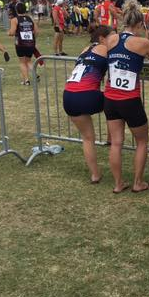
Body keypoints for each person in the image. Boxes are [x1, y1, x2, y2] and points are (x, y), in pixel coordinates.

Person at [104, 0, 149, 193]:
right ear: (139, 24)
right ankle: (138, 182)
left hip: (110, 98)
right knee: (142, 141)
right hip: (129, 99)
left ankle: (118, 183)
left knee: (116, 142)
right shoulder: (142, 43)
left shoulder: (111, 39)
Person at [63, 24, 112, 183]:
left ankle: (95, 175)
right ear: (102, 38)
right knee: (116, 102)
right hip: (87, 95)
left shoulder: (85, 49)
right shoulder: (104, 49)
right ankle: (112, 137)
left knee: (88, 138)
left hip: (69, 96)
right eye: (112, 37)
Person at [8, 2, 37, 84]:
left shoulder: (15, 20)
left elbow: (12, 32)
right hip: (31, 43)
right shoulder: (30, 18)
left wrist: (8, 32)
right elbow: (36, 31)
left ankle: (26, 80)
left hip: (20, 43)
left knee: (22, 62)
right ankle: (35, 75)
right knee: (28, 61)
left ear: (16, 10)